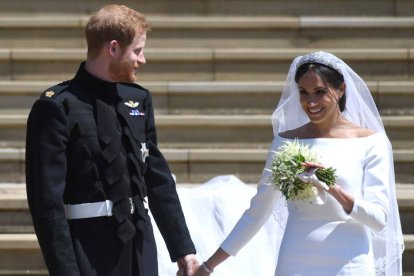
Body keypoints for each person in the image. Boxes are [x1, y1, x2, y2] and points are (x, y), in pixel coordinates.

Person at [193, 51, 404, 275]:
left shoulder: (371, 142)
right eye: (303, 92)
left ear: (341, 89)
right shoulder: (284, 142)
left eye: (320, 92)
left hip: (349, 261)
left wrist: (331, 187)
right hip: (295, 260)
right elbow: (257, 212)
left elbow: (379, 219)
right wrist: (208, 266)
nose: (310, 102)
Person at [25, 4, 198, 276]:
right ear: (114, 48)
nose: (143, 60)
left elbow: (157, 178)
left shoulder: (138, 99)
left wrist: (182, 249)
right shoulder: (57, 107)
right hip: (89, 251)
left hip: (140, 247)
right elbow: (47, 203)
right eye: (137, 51)